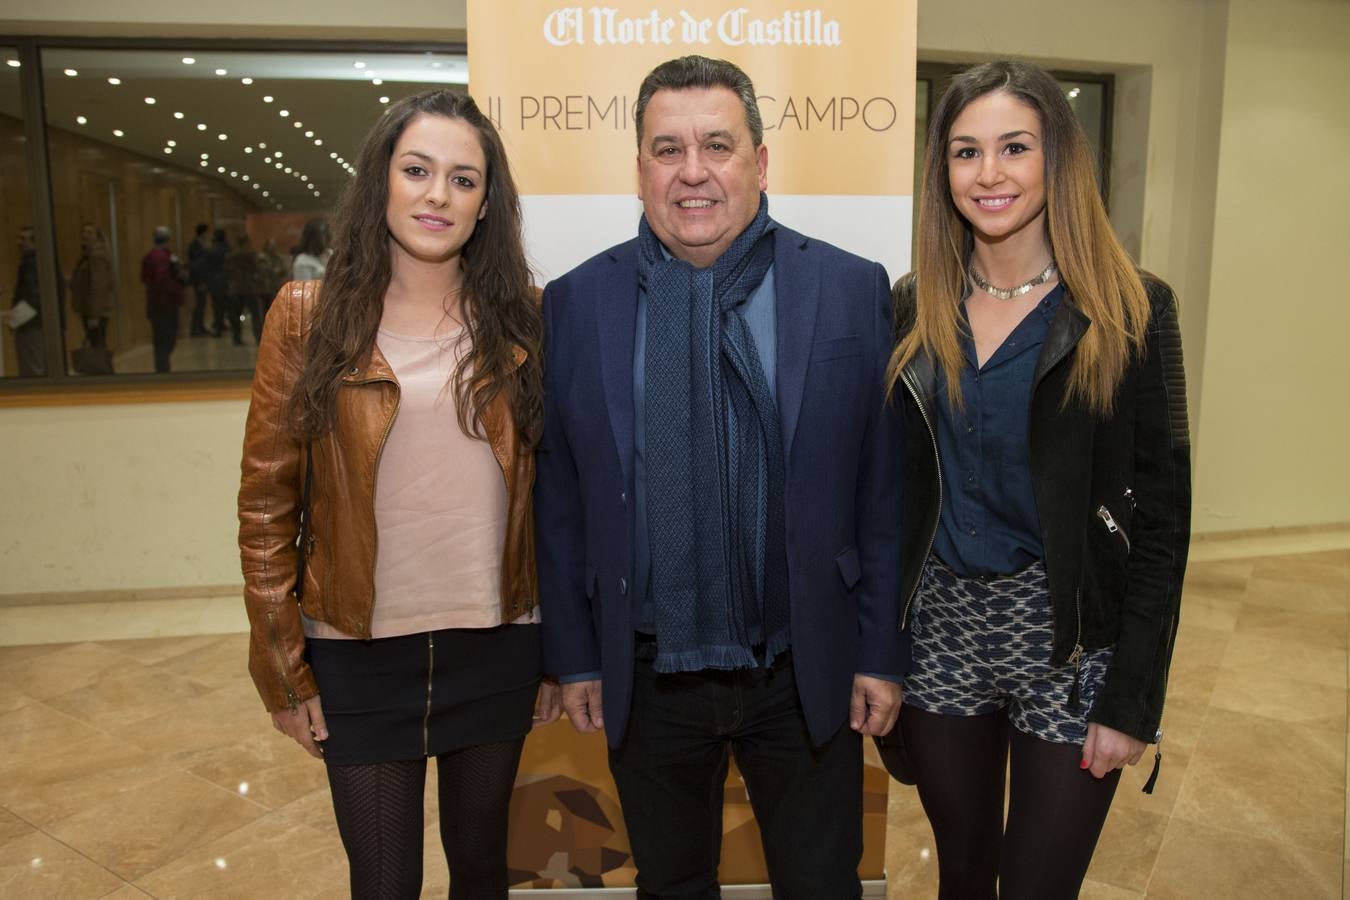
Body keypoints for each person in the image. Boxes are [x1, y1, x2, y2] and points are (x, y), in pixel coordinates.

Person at [535, 55, 905, 899]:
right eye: (667, 149)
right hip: (648, 670)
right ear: (638, 169)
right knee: (671, 885)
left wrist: (881, 650)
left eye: (717, 146)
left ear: (761, 162)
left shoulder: (849, 289)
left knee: (821, 886)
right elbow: (559, 498)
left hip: (804, 667)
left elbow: (882, 492)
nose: (692, 172)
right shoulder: (577, 303)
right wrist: (576, 658)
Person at [238, 89, 559, 899]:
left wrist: (561, 652)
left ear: (487, 204)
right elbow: (266, 505)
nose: (436, 195)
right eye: (417, 170)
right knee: (383, 881)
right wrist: (284, 666)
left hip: (497, 642)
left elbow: (559, 498)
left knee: (483, 871)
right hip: (354, 648)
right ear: (382, 179)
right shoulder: (307, 319)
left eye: (463, 179)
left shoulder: (526, 321)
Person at [885, 59, 1190, 899]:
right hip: (944, 629)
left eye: (1013, 148)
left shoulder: (1132, 309)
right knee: (963, 876)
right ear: (940, 170)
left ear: (1058, 159)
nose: (989, 174)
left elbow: (1164, 521)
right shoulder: (914, 307)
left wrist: (1134, 700)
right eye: (964, 151)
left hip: (1069, 635)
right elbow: (893, 499)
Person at [140, 226, 185, 373]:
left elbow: (145, 278)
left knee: (160, 338)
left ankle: (162, 367)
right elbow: (161, 280)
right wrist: (177, 284)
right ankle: (163, 368)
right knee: (166, 338)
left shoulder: (151, 256)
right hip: (165, 304)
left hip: (155, 303)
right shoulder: (163, 256)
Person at [70, 223, 117, 350]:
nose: (85, 235)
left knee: (97, 348)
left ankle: (103, 370)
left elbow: (98, 287)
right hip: (90, 309)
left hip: (96, 310)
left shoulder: (97, 256)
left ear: (98, 236)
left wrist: (94, 315)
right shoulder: (86, 256)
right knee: (96, 346)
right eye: (84, 232)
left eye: (90, 232)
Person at [224, 234, 263, 345]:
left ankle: (236, 337)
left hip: (235, 288)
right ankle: (258, 337)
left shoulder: (231, 255)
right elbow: (258, 269)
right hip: (249, 288)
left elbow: (227, 271)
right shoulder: (251, 255)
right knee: (255, 315)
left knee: (235, 315)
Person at [187, 222, 217, 336]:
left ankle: (200, 327)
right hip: (199, 279)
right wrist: (200, 281)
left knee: (202, 305)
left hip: (203, 278)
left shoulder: (201, 244)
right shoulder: (196, 245)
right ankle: (195, 329)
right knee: (199, 305)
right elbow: (197, 265)